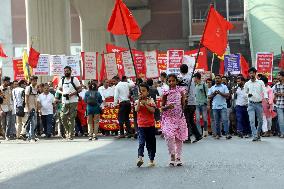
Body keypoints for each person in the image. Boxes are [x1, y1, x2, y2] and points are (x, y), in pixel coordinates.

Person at [161, 74, 188, 166]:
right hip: (168, 118)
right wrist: (167, 107)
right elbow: (161, 107)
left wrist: (184, 102)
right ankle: (172, 155)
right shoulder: (165, 92)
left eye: (173, 81)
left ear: (176, 81)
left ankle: (178, 157)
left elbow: (183, 105)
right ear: (167, 82)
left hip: (179, 117)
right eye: (169, 81)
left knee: (179, 138)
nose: (171, 82)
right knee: (169, 135)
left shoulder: (181, 91)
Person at [244, 67, 269, 141]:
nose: (251, 74)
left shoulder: (260, 82)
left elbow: (264, 91)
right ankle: (255, 135)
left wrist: (266, 98)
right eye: (250, 73)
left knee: (260, 121)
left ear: (255, 73)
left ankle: (258, 134)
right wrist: (247, 95)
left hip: (259, 104)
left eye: (252, 73)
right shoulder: (247, 83)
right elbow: (245, 92)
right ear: (249, 74)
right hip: (251, 104)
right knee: (252, 121)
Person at [135, 83, 156, 167]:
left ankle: (151, 160)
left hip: (150, 125)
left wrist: (146, 104)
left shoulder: (151, 100)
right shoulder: (137, 101)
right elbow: (136, 109)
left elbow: (153, 110)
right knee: (141, 142)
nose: (142, 92)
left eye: (143, 91)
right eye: (140, 91)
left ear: (147, 92)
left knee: (151, 143)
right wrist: (140, 102)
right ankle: (140, 158)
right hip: (141, 126)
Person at [179, 64, 202, 143]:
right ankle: (198, 135)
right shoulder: (190, 78)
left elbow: (184, 91)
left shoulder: (185, 79)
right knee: (191, 120)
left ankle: (187, 137)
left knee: (186, 121)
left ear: (180, 70)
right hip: (193, 103)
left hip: (188, 103)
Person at [58, 66, 82, 140]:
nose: (66, 72)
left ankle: (70, 135)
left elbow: (80, 89)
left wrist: (73, 93)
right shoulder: (62, 80)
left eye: (67, 71)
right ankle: (68, 131)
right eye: (65, 71)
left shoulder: (74, 79)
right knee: (63, 117)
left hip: (73, 101)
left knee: (72, 118)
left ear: (70, 71)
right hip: (64, 101)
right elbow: (59, 89)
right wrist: (63, 93)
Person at [208, 74, 232, 140]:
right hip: (215, 107)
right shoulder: (212, 88)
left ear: (221, 80)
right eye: (216, 78)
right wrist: (214, 94)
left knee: (225, 120)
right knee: (217, 121)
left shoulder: (224, 87)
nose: (217, 79)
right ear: (214, 80)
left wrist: (220, 93)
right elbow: (209, 96)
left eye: (218, 78)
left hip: (223, 107)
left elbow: (227, 95)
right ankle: (218, 134)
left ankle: (227, 134)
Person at [194, 72, 209, 137]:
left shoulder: (204, 85)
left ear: (197, 78)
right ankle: (199, 133)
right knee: (197, 119)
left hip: (203, 104)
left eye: (194, 78)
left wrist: (208, 104)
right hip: (197, 104)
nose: (194, 79)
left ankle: (205, 131)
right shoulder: (195, 85)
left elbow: (208, 95)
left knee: (205, 119)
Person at [25, 76, 39, 142]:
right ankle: (32, 138)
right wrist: (28, 108)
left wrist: (36, 108)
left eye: (36, 80)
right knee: (32, 123)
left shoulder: (35, 88)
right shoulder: (28, 88)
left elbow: (36, 99)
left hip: (34, 108)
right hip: (30, 108)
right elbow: (26, 99)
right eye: (34, 80)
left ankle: (29, 136)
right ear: (31, 81)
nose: (35, 82)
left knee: (35, 123)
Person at [273, 71, 284, 138]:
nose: (278, 77)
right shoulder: (276, 85)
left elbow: (278, 94)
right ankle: (282, 133)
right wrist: (280, 94)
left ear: (283, 77)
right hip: (279, 104)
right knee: (281, 120)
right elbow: (275, 94)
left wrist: (280, 94)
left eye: (279, 75)